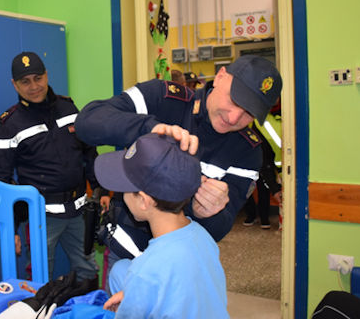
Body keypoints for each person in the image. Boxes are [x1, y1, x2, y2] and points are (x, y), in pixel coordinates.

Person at [75, 55, 282, 268]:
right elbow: (87, 122)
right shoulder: (162, 97)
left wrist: (206, 213)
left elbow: (219, 229)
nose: (233, 118)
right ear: (220, 76)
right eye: (234, 100)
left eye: (249, 113)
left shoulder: (248, 151)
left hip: (180, 264)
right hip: (125, 251)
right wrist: (149, 129)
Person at [0, 51, 102, 284]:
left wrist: (101, 189)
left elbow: (88, 152)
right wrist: (10, 226)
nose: (34, 87)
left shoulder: (69, 108)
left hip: (79, 211)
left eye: (38, 78)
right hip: (41, 217)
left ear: (47, 75)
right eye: (25, 82)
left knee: (88, 271)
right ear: (14, 84)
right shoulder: (8, 124)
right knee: (40, 279)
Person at [96, 133, 228, 318]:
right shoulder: (203, 235)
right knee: (121, 269)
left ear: (143, 201)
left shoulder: (144, 270)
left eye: (124, 188)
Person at [244, 100, 282, 229]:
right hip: (251, 159)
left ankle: (264, 218)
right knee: (247, 189)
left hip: (269, 161)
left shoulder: (278, 117)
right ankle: (251, 215)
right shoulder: (256, 119)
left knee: (263, 188)